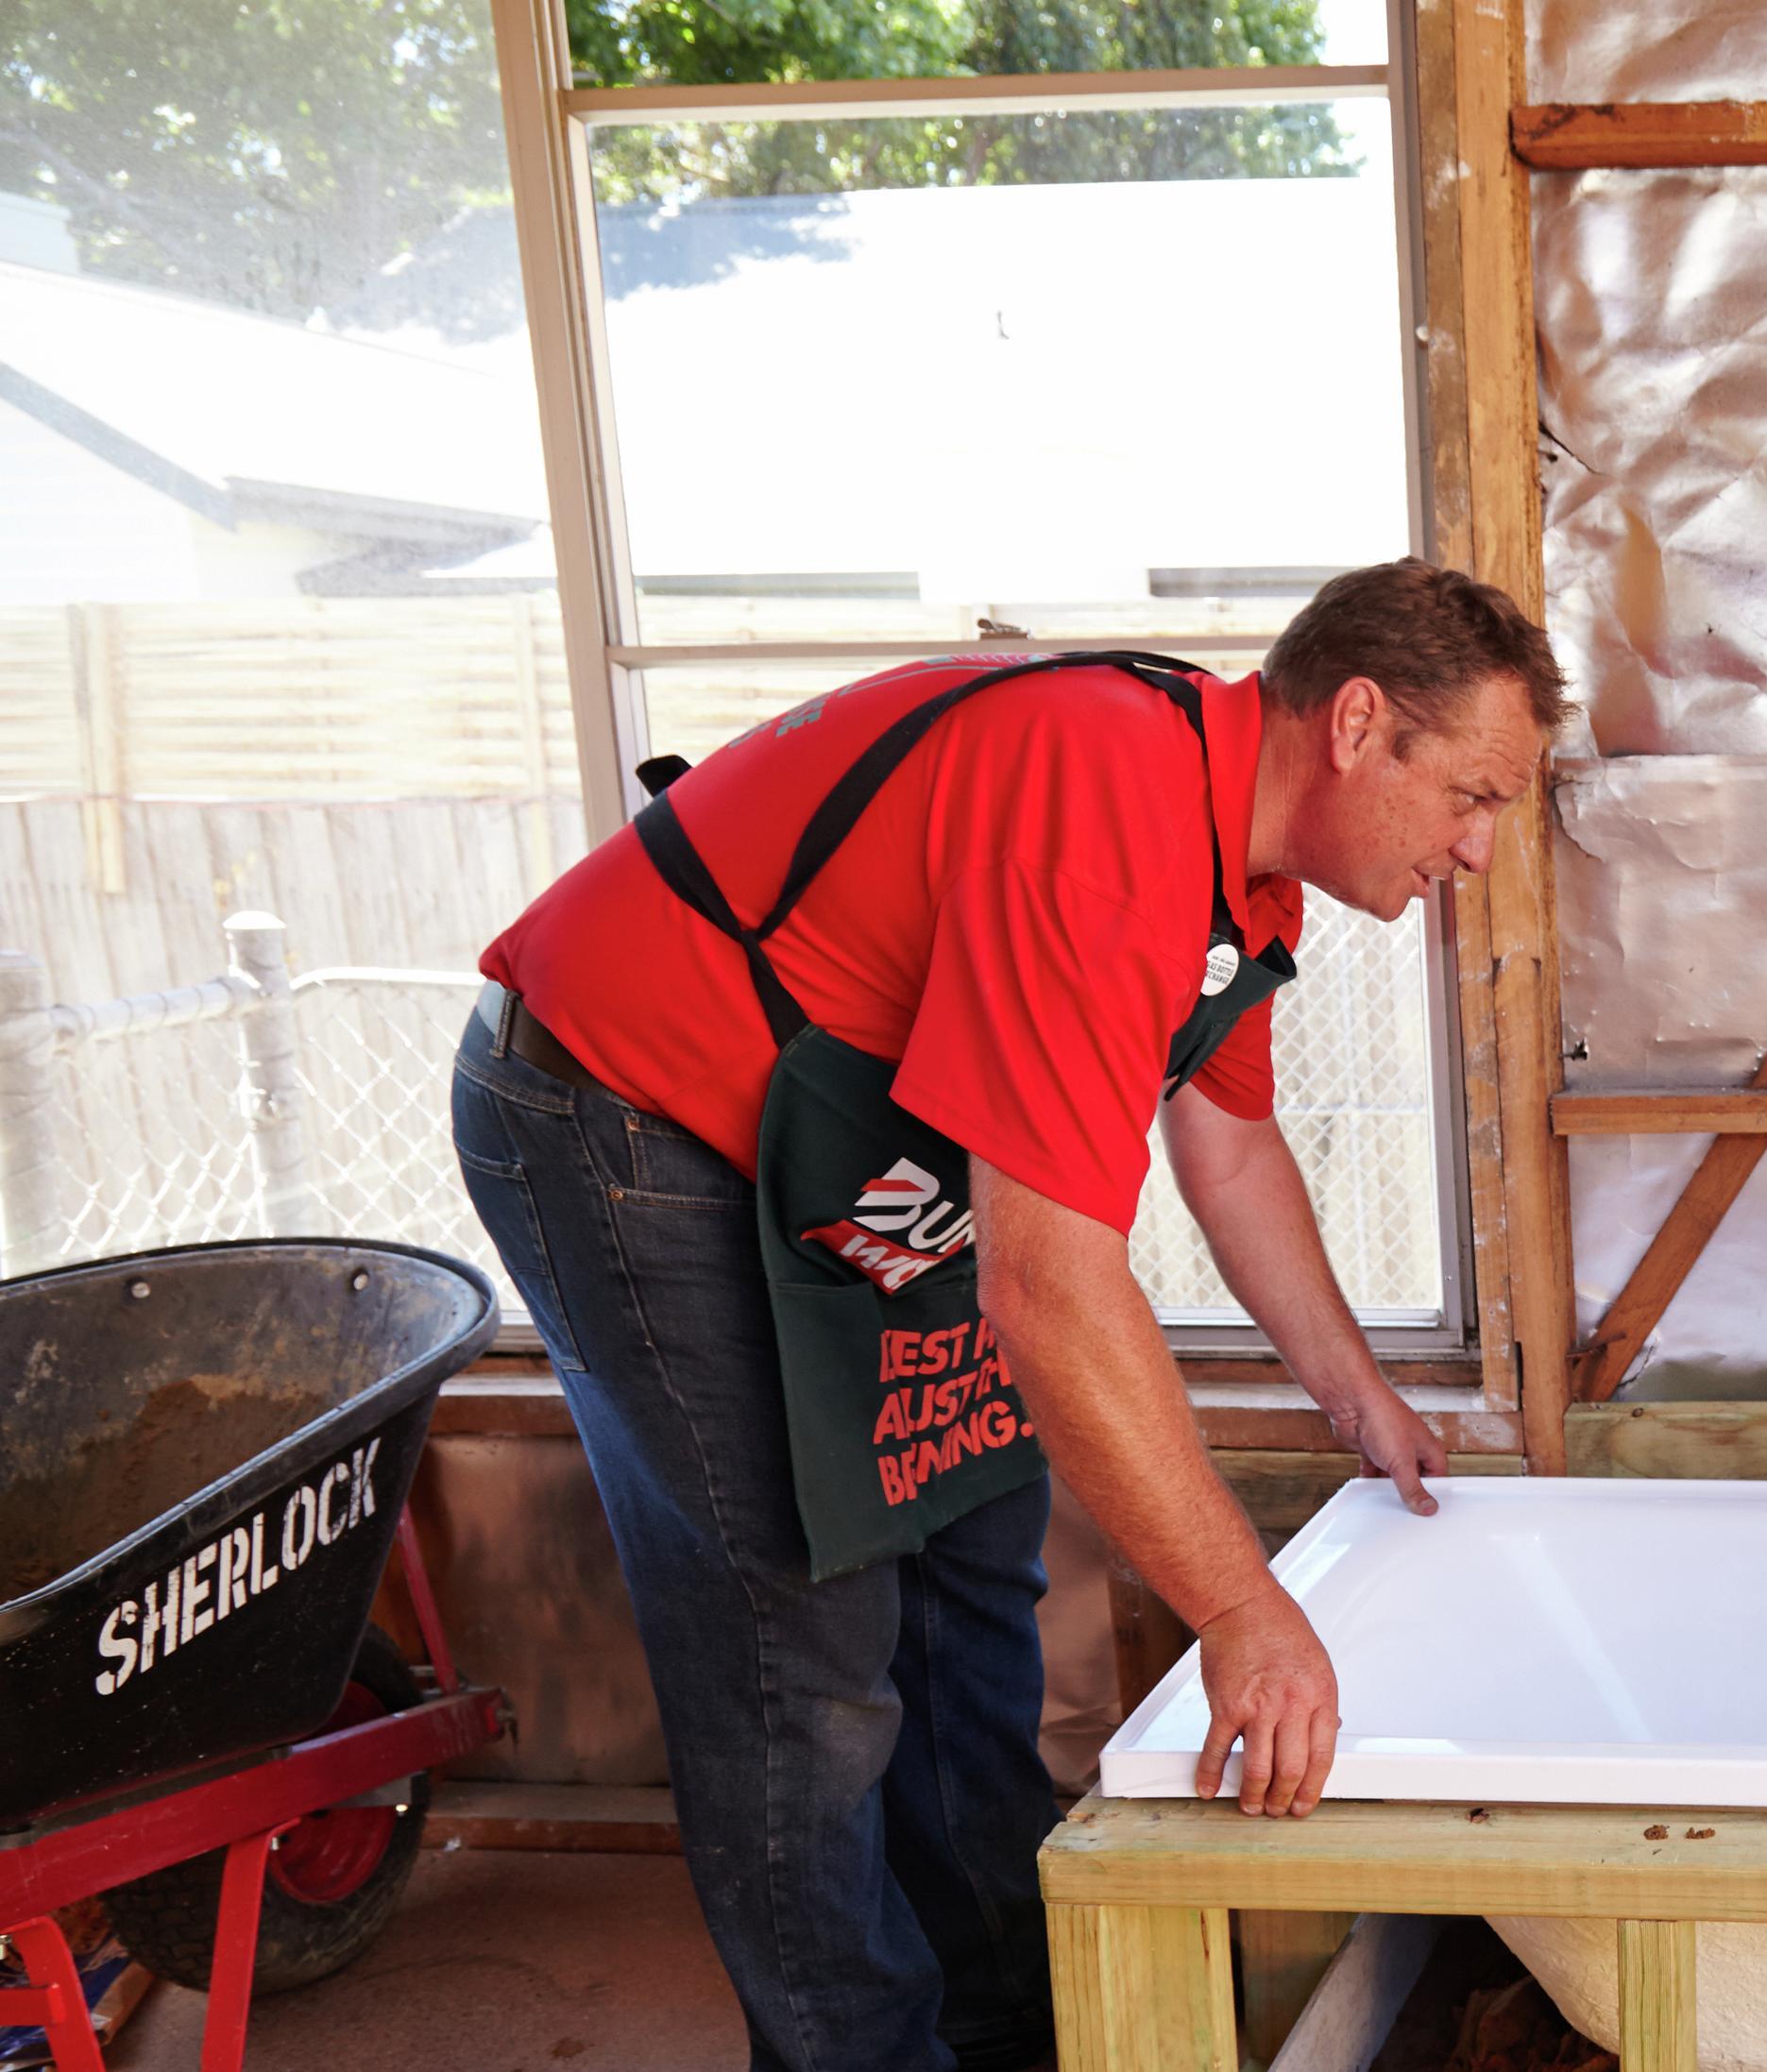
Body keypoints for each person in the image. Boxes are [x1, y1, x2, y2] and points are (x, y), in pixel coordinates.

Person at [449, 559, 1563, 2072]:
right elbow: (1047, 1285)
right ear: (1360, 724)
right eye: (1475, 797)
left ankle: (1008, 2016)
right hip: (633, 1108)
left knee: (972, 1555)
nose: (1481, 851)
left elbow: (1227, 1145)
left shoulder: (1245, 879)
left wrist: (1353, 1391)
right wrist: (1243, 1612)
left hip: (853, 1158)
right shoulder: (1108, 808)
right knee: (806, 1642)